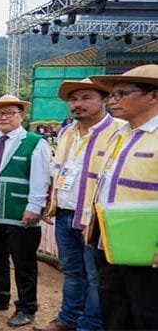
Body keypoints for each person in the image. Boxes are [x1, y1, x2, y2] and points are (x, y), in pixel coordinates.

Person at [36, 79, 119, 331]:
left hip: (96, 218)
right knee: (71, 271)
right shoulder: (66, 132)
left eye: (85, 98)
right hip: (64, 213)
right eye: (73, 100)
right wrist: (52, 203)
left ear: (104, 99)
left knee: (95, 277)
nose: (78, 104)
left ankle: (90, 325)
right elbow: (59, 171)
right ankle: (68, 319)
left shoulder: (120, 131)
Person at [0, 94, 51, 328]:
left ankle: (26, 307)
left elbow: (41, 178)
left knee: (24, 262)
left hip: (19, 211)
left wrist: (34, 207)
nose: (3, 117)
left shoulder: (35, 142)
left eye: (9, 113)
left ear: (21, 116)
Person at [86, 64, 158, 329]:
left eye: (121, 94)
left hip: (147, 252)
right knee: (115, 312)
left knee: (147, 315)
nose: (112, 100)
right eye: (111, 95)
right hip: (112, 245)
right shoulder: (120, 135)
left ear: (154, 95)